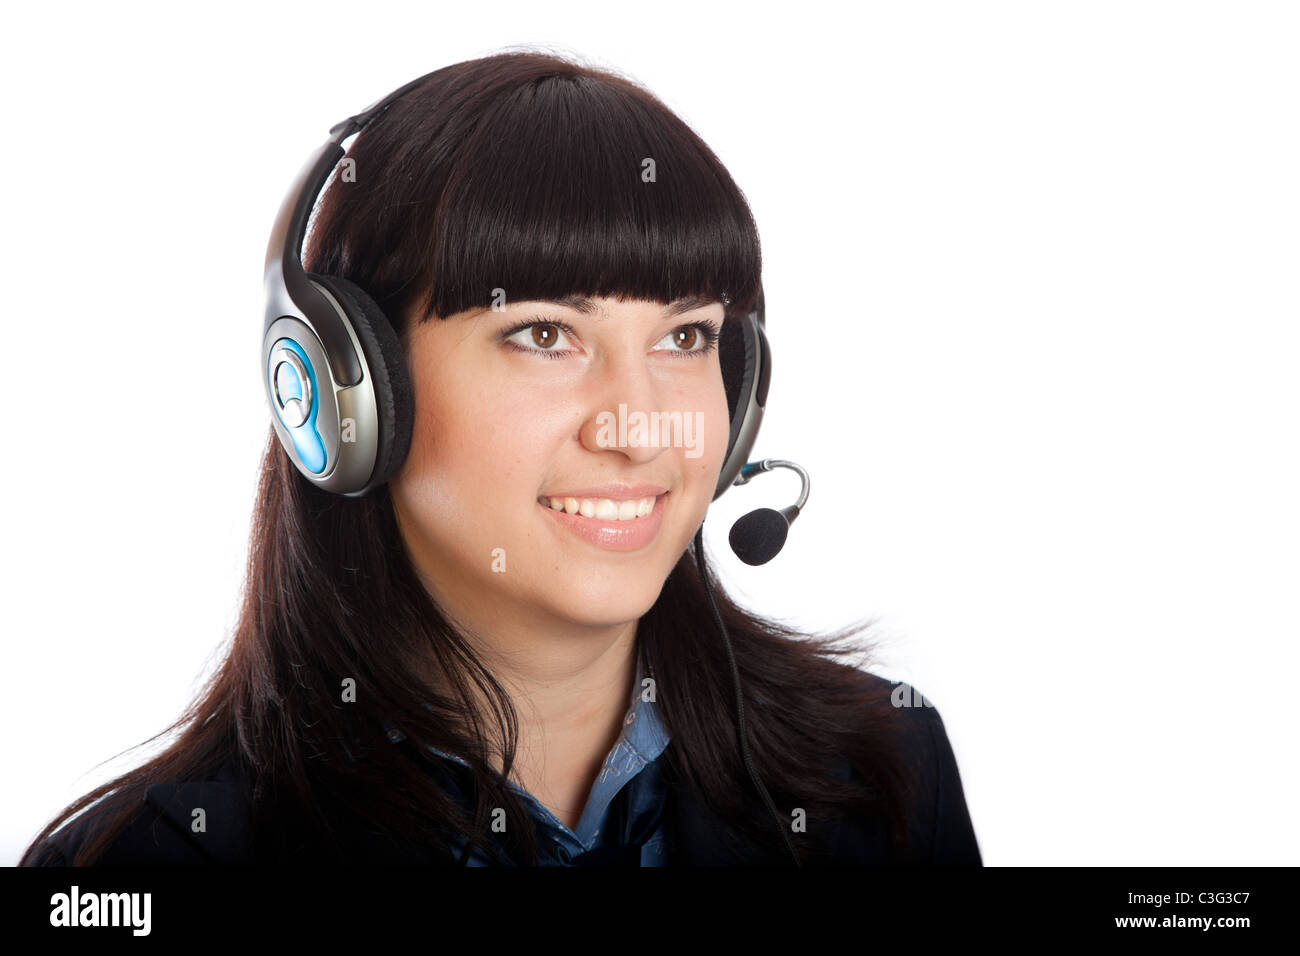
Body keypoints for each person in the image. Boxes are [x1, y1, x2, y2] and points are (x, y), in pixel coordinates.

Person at [22, 49, 981, 867]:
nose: (640, 429)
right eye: (543, 336)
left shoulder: (880, 778)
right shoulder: (144, 865)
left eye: (685, 338)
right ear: (345, 393)